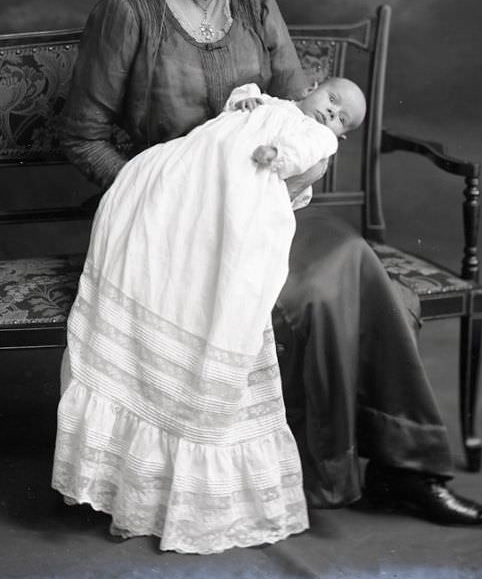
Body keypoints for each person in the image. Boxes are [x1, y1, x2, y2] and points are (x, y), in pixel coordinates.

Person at [54, 0, 482, 540]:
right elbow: (83, 138)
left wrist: (300, 169)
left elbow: (299, 104)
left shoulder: (256, 4)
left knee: (351, 260)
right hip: (166, 226)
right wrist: (168, 195)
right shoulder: (128, 14)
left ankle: (406, 469)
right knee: (319, 290)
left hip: (261, 209)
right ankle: (344, 472)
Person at [52, 76, 366, 553]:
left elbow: (300, 157)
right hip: (192, 168)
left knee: (219, 273)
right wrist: (245, 99)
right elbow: (235, 106)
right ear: (315, 86)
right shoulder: (273, 101)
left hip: (240, 183)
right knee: (154, 184)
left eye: (343, 120)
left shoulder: (315, 138)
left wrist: (276, 156)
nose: (331, 114)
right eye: (333, 100)